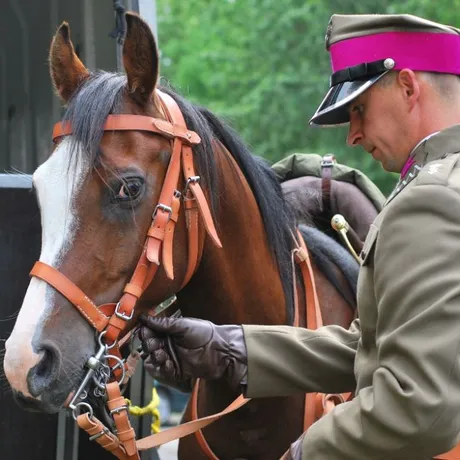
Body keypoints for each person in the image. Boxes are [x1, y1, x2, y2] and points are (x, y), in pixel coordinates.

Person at [138, 13, 460, 459]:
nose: (353, 135)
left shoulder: (433, 199)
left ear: (407, 87)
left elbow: (418, 404)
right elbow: (369, 349)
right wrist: (229, 348)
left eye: (358, 109)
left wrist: (306, 452)